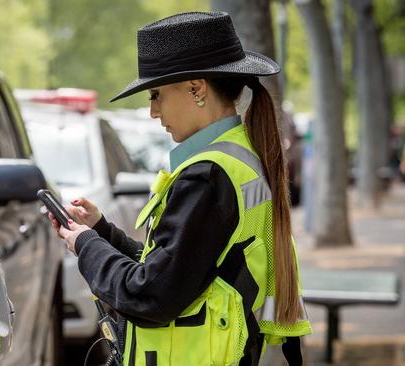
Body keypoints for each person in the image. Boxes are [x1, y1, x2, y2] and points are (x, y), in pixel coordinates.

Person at [47, 12, 312, 366]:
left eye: (156, 94)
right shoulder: (240, 159)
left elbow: (150, 296)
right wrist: (102, 232)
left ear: (196, 89)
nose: (154, 111)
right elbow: (186, 267)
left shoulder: (206, 176)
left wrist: (84, 245)